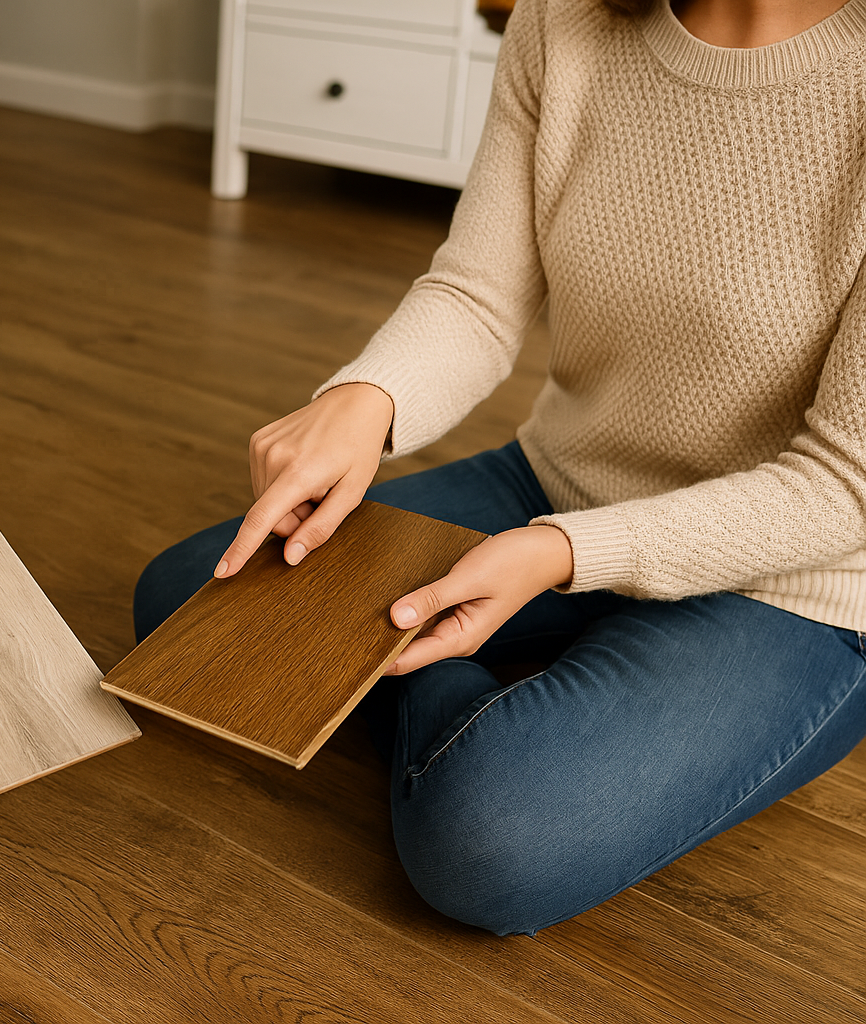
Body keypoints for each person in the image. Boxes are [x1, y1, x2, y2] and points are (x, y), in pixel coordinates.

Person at [135, 0, 866, 936]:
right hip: (557, 480)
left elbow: (844, 486)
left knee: (491, 843)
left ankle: (423, 676)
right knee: (186, 603)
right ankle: (453, 672)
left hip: (789, 580)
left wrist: (557, 555)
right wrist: (366, 400)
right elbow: (478, 294)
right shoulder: (564, 22)